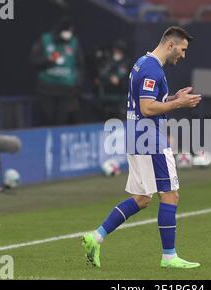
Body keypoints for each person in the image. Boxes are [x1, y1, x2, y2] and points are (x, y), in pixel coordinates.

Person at [82, 26, 202, 269]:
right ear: (171, 45)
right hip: (150, 138)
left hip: (137, 136)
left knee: (141, 198)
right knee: (170, 194)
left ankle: (95, 238)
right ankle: (169, 257)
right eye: (183, 49)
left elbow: (145, 101)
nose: (183, 55)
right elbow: (147, 108)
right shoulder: (151, 68)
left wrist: (171, 98)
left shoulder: (143, 63)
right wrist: (178, 104)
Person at [31, 18, 85, 126]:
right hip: (47, 89)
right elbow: (33, 61)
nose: (68, 34)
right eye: (66, 31)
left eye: (70, 31)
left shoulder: (74, 43)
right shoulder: (45, 40)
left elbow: (80, 65)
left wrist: (77, 84)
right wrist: (47, 60)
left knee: (61, 121)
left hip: (66, 90)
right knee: (48, 118)